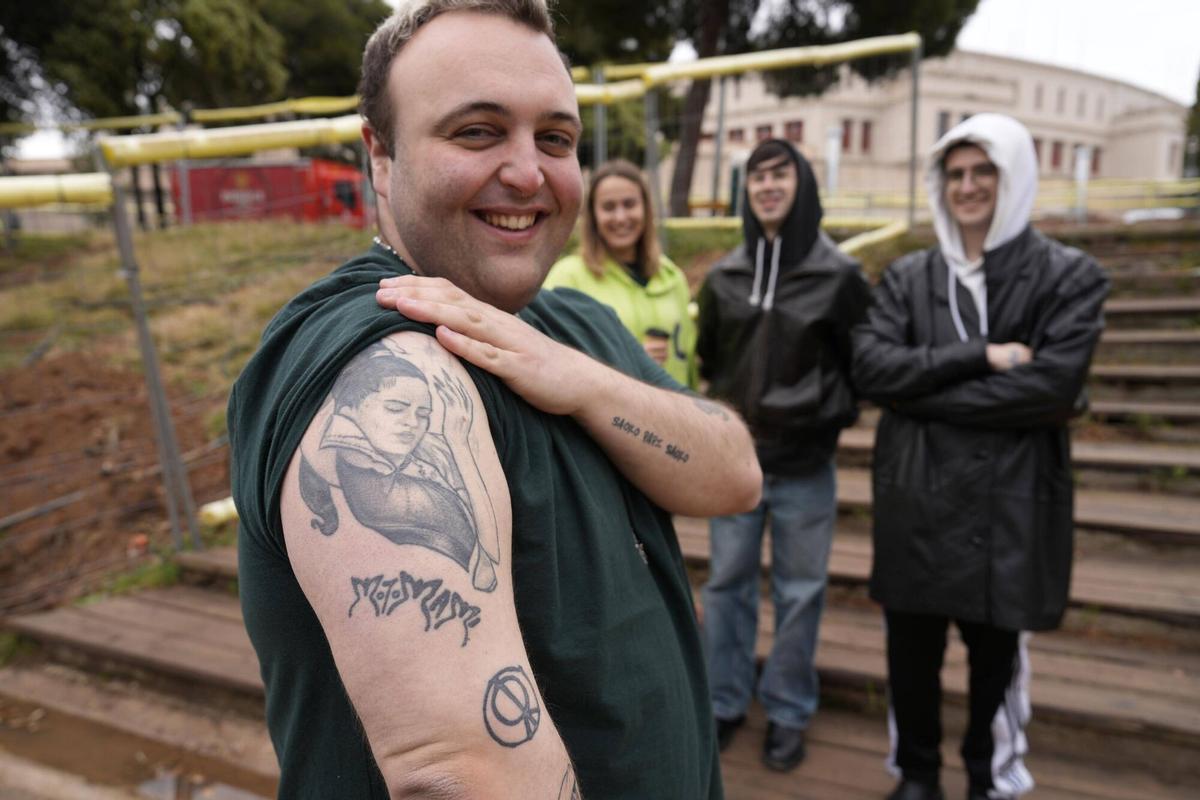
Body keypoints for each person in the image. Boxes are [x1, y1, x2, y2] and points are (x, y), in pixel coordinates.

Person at [226, 1, 762, 798]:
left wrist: (579, 380)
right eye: (477, 131)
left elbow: (735, 474)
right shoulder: (379, 351)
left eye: (556, 138)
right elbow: (461, 772)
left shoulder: (578, 322)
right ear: (381, 155)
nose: (528, 172)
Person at [851, 113, 1109, 800]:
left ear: (1013, 176)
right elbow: (873, 370)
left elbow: (1054, 386)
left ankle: (987, 776)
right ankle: (918, 774)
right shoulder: (908, 278)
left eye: (983, 171)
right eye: (956, 173)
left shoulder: (1068, 276)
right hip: (916, 498)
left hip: (1010, 508)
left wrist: (923, 394)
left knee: (997, 661)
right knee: (911, 655)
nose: (967, 186)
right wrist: (981, 360)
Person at [696, 137, 871, 771]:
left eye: (781, 175)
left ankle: (790, 710)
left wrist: (824, 419)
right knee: (727, 586)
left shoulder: (840, 276)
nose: (768, 186)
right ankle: (724, 700)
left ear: (802, 186)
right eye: (757, 176)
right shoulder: (725, 276)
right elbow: (713, 361)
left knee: (801, 592)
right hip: (737, 465)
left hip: (805, 468)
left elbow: (860, 366)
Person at [545, 158, 697, 387]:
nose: (620, 217)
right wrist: (630, 361)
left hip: (674, 416)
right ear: (593, 216)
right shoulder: (567, 279)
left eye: (629, 204)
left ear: (645, 208)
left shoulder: (672, 276)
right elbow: (549, 362)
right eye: (608, 207)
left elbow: (689, 361)